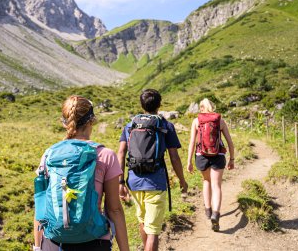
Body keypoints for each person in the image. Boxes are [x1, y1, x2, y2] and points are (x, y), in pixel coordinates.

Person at [33, 95, 130, 251]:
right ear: (92, 120)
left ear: (64, 122)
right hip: (94, 241)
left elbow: (40, 206)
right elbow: (114, 209)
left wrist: (37, 247)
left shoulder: (48, 155)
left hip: (53, 243)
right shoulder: (105, 155)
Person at [117, 89, 188, 251]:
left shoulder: (130, 125)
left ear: (142, 105)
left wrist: (120, 181)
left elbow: (120, 153)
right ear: (159, 104)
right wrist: (182, 181)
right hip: (155, 182)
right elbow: (174, 158)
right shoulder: (165, 125)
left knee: (143, 222)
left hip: (134, 182)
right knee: (154, 231)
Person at [186, 98, 235, 232]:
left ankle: (208, 210)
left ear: (201, 108)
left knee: (206, 181)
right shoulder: (220, 120)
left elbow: (191, 143)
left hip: (201, 156)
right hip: (218, 156)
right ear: (212, 107)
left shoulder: (196, 121)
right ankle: (216, 214)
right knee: (216, 185)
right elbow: (230, 142)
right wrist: (232, 159)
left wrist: (189, 161)